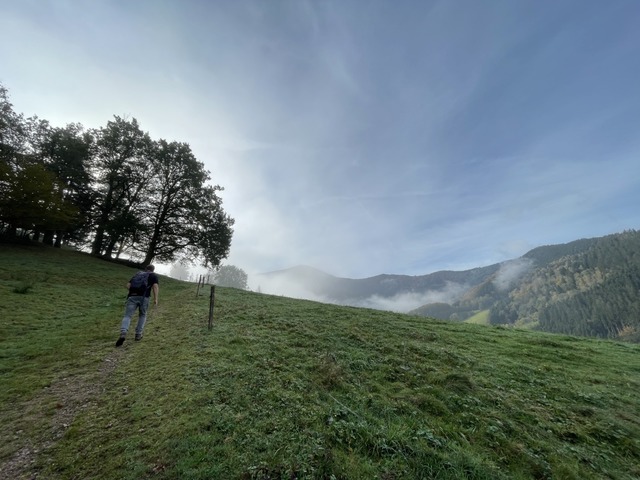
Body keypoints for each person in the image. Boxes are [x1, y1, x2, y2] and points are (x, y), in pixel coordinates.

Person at [115, 265, 159, 346]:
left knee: (127, 315)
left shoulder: (138, 274)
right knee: (142, 315)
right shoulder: (153, 276)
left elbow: (128, 285)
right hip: (144, 297)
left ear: (146, 269)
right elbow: (155, 286)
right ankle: (138, 335)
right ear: (153, 269)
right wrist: (155, 298)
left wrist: (133, 292)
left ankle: (123, 333)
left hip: (132, 296)